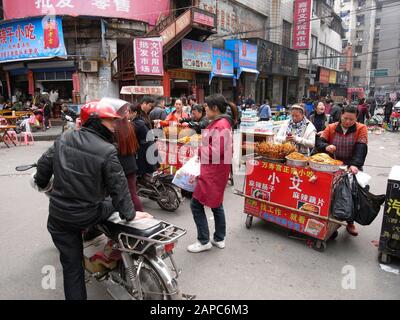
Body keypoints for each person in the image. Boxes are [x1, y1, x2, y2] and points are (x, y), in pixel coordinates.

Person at [33, 99, 151, 300]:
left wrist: (41, 182)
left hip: (60, 217)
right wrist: (130, 214)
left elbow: (43, 167)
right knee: (110, 205)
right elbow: (119, 189)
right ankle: (108, 245)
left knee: (72, 268)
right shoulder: (107, 150)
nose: (114, 126)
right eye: (109, 121)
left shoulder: (64, 139)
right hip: (88, 214)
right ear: (94, 121)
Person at [187, 94, 237, 253]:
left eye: (207, 107)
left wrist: (199, 148)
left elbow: (215, 152)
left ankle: (203, 240)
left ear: (215, 108)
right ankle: (219, 237)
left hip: (213, 171)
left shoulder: (220, 125)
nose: (205, 109)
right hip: (218, 170)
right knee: (216, 203)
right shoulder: (222, 122)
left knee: (196, 204)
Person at [315, 105, 368, 236]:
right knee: (331, 194)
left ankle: (350, 222)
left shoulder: (361, 128)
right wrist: (327, 147)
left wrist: (355, 164)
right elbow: (319, 143)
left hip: (352, 166)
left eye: (352, 119)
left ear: (356, 118)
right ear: (341, 116)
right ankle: (330, 222)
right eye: (345, 118)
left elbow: (361, 148)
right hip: (333, 165)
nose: (348, 122)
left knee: (351, 195)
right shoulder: (331, 127)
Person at [114, 113, 144, 212]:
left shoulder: (115, 129)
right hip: (131, 163)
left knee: (127, 194)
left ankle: (138, 216)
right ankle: (140, 215)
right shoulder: (130, 126)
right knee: (132, 193)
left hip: (121, 165)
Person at [128, 103, 159, 177]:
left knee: (146, 174)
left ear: (135, 113)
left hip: (146, 150)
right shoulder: (140, 120)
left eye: (128, 112)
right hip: (148, 148)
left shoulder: (137, 123)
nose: (126, 114)